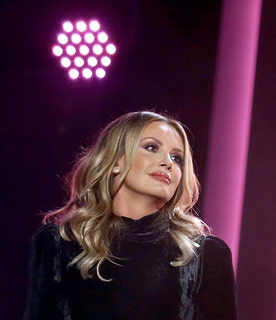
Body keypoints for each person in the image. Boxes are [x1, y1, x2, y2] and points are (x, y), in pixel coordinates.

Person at [23, 111, 238, 320]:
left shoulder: (206, 255)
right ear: (116, 161)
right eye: (151, 147)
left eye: (177, 158)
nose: (168, 163)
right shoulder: (58, 244)